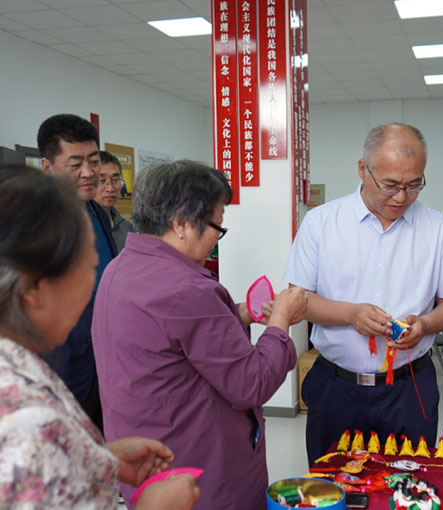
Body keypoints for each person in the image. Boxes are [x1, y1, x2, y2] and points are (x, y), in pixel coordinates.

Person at [91, 160, 308, 509]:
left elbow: (173, 340)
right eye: (216, 227)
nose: (215, 240)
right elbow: (251, 382)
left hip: (148, 466)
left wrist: (236, 314)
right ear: (180, 223)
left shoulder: (119, 268)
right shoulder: (187, 288)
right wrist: (281, 321)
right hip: (199, 471)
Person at [0, 164, 199, 509]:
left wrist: (97, 459)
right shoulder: (26, 423)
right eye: (89, 267)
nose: (94, 284)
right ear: (34, 288)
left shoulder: (21, 363)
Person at [284, 122, 443, 465]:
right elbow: (298, 299)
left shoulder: (439, 229)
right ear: (362, 169)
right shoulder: (321, 223)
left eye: (414, 185)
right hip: (336, 387)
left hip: (409, 388)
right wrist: (351, 315)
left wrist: (425, 324)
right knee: (335, 487)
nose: (401, 197)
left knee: (409, 488)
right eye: (390, 185)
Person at [38, 113, 117, 430]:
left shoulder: (97, 211)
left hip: (104, 363)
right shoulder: (34, 224)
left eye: (94, 161)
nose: (89, 173)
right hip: (60, 368)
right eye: (75, 165)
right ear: (47, 167)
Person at [95, 150, 135, 251]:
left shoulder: (127, 228)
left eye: (115, 180)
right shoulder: (81, 227)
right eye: (102, 180)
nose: (110, 188)